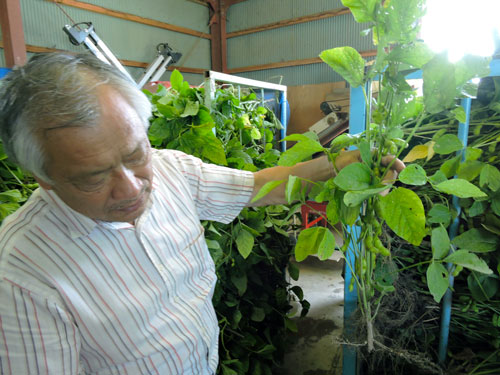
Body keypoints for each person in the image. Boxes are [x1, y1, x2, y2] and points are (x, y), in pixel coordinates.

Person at [0, 52, 404, 375]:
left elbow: (265, 185)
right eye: (92, 177)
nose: (132, 188)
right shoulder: (21, 274)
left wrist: (345, 172)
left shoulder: (173, 170)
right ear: (44, 178)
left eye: (135, 154)